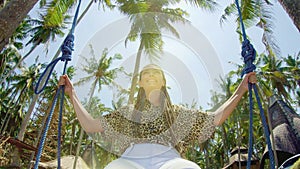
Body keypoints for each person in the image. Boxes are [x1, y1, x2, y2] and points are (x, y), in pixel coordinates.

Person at [59, 64, 257, 169]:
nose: (151, 75)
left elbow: (215, 118)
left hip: (169, 159)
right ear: (140, 83)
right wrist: (72, 94)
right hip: (131, 160)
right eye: (146, 73)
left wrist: (241, 89)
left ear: (163, 81)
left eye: (156, 73)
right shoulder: (127, 113)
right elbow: (91, 125)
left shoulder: (177, 113)